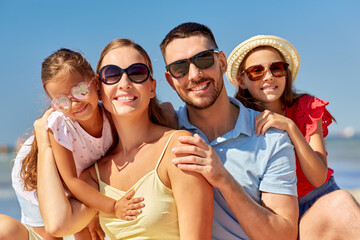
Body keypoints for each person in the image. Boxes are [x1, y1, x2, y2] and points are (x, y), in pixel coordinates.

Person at [35, 38, 213, 240]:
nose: (125, 83)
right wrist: (44, 142)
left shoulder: (178, 148)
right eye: (112, 75)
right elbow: (57, 224)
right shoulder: (94, 175)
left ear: (153, 88)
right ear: (99, 89)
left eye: (137, 72)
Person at [160, 22, 298, 240]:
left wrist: (223, 179)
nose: (194, 75)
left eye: (203, 60)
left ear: (222, 62)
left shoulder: (271, 139)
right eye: (180, 68)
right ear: (170, 80)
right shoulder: (164, 131)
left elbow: (284, 235)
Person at [0, 48, 145, 240]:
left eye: (80, 91)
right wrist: (112, 207)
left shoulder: (112, 116)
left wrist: (95, 211)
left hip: (80, 180)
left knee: (88, 230)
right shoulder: (61, 127)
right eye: (62, 101)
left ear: (94, 82)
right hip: (36, 181)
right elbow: (71, 181)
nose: (75, 104)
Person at [226, 34, 360, 240]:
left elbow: (317, 178)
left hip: (322, 199)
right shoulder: (239, 120)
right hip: (279, 216)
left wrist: (291, 127)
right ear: (242, 81)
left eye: (276, 68)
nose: (268, 76)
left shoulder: (306, 107)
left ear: (285, 74)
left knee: (341, 202)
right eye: (256, 71)